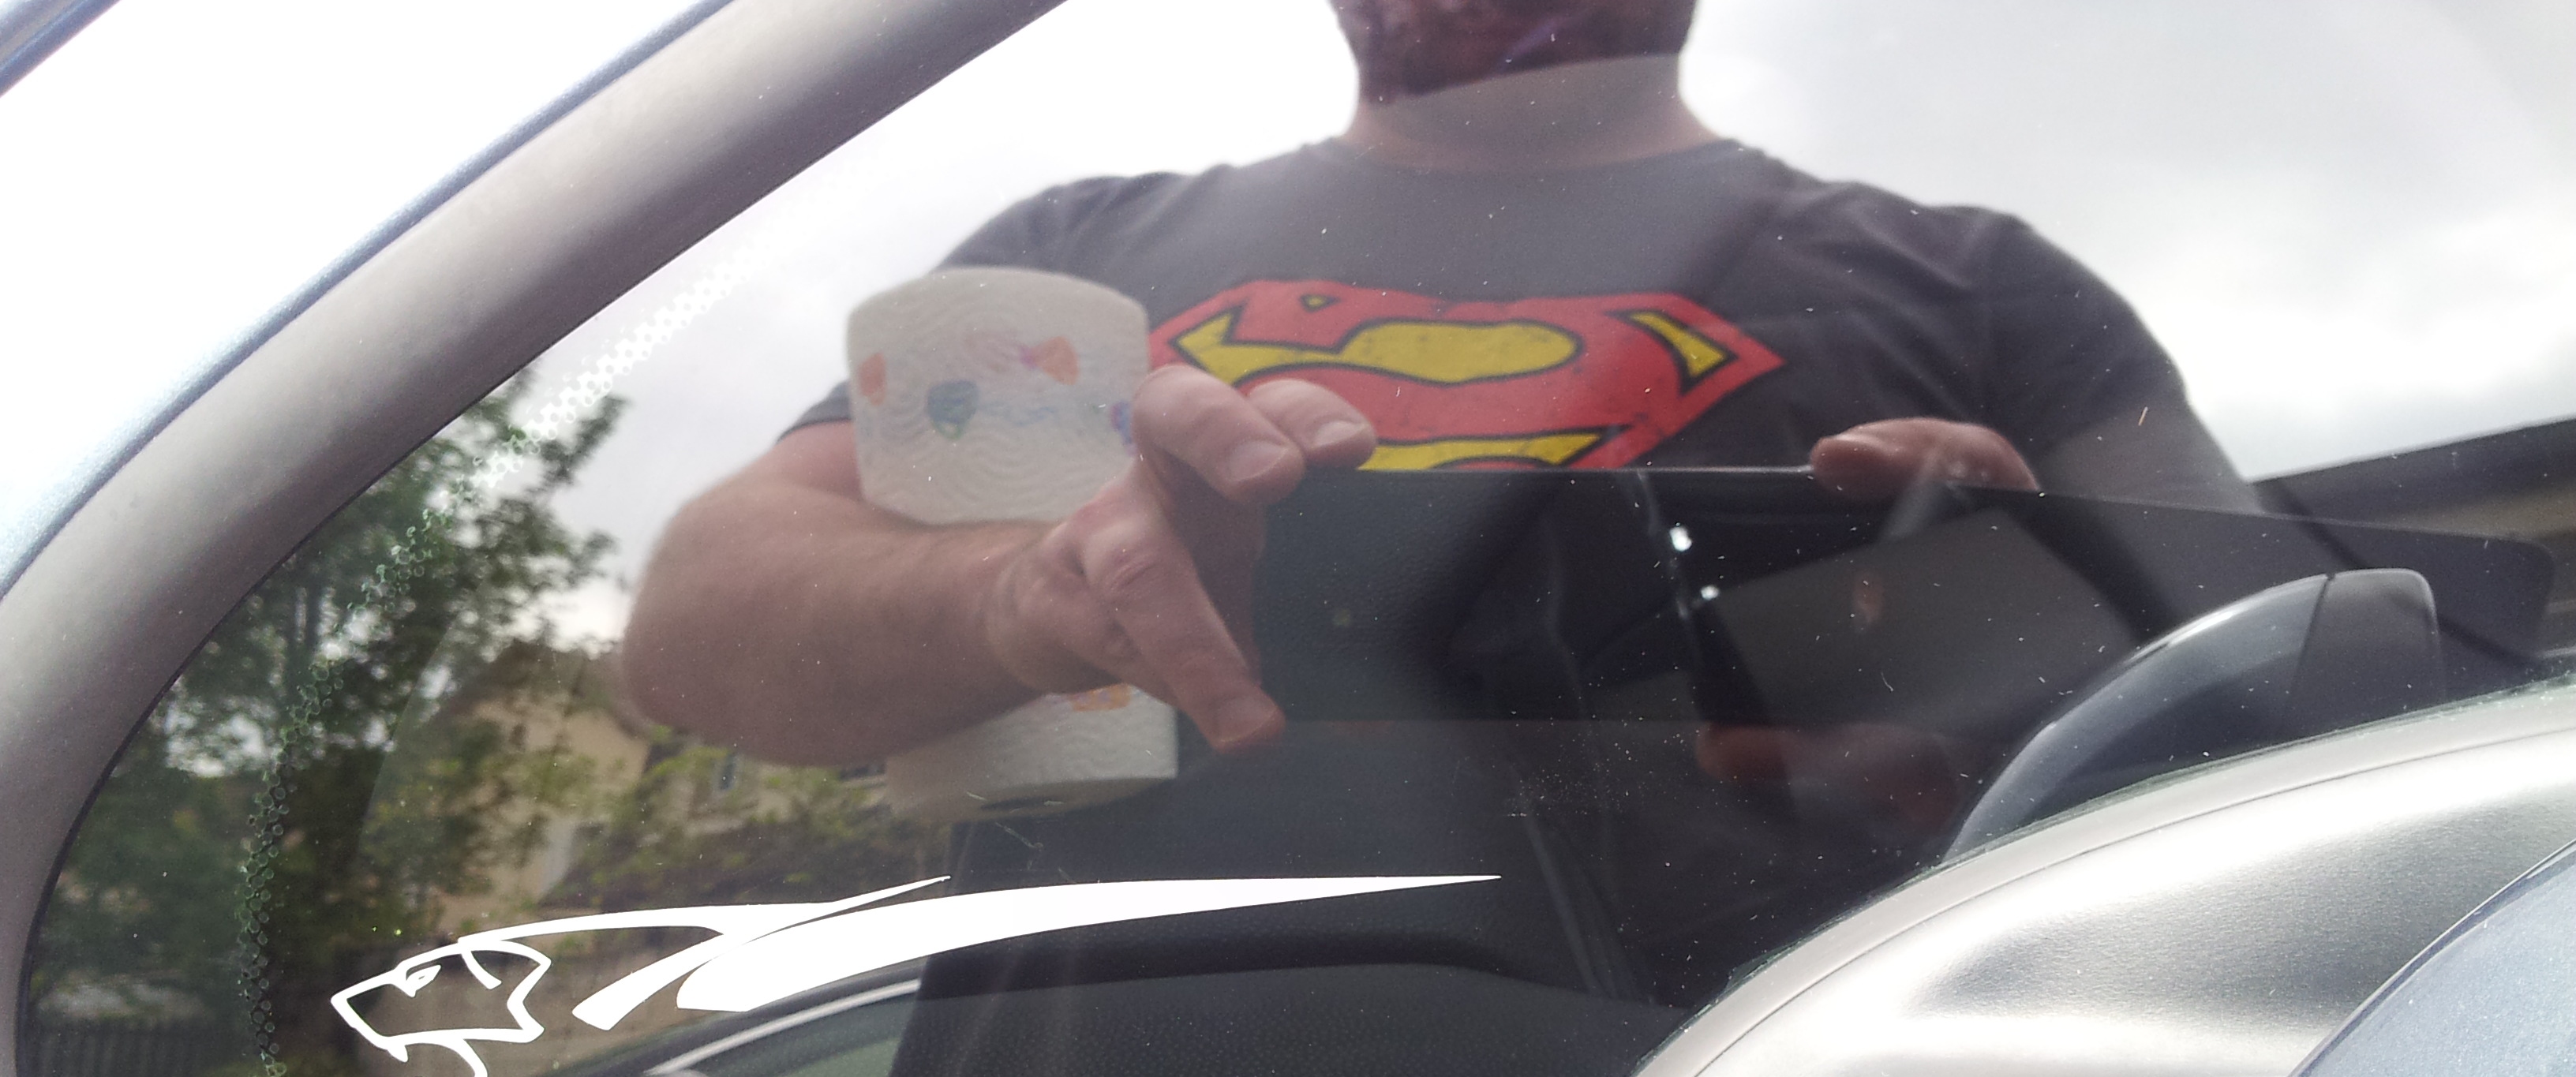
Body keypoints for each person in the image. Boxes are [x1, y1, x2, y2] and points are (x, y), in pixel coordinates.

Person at [618, 0, 2251, 773]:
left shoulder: (1985, 283)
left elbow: (2284, 703)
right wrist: (1025, 596)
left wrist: (2040, 654)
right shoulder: (1075, 261)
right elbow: (695, 630)